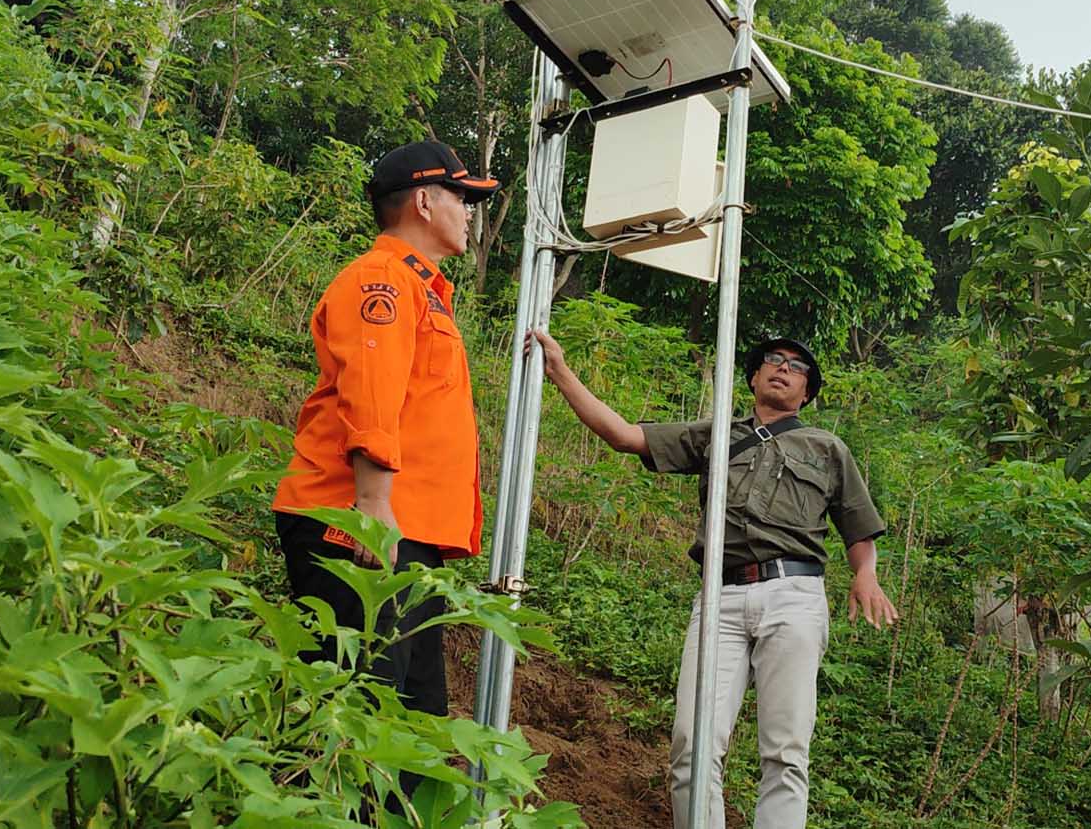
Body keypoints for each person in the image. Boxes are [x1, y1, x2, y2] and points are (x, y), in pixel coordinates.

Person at [529, 329, 898, 829]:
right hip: (720, 596)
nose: (783, 368)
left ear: (807, 392)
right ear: (753, 377)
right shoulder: (715, 435)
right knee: (692, 743)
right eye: (773, 359)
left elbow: (858, 527)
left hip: (793, 594)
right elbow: (624, 434)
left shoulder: (827, 448)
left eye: (797, 366)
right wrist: (560, 370)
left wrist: (866, 575)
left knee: (786, 751)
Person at [271, 140, 499, 729]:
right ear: (424, 201)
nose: (470, 212)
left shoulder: (422, 290)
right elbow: (372, 392)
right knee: (354, 720)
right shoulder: (383, 281)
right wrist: (372, 512)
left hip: (407, 533)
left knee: (411, 726)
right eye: (462, 197)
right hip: (361, 526)